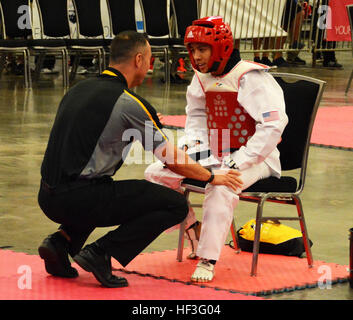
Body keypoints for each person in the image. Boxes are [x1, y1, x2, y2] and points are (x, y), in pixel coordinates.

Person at [37, 30, 242, 288]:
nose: (149, 67)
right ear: (138, 60)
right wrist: (212, 176)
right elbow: (170, 159)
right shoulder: (129, 102)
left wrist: (143, 123)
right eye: (149, 60)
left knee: (99, 186)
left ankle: (60, 242)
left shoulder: (78, 89)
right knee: (174, 205)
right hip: (79, 198)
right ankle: (102, 252)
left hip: (47, 195)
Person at [145, 16, 288, 282]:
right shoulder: (201, 78)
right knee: (157, 173)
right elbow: (197, 117)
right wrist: (195, 149)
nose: (196, 57)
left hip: (258, 157)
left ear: (220, 48)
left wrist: (238, 162)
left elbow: (273, 125)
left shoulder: (251, 77)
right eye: (192, 50)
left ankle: (208, 259)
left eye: (202, 49)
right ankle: (194, 231)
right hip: (217, 150)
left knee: (221, 185)